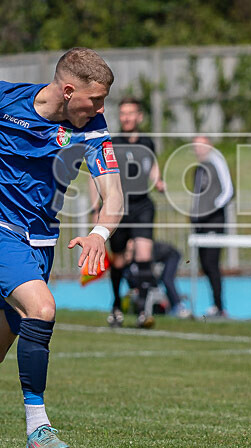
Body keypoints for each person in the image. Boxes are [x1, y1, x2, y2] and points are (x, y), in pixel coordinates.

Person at [0, 48, 123, 448]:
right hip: (3, 233)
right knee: (42, 309)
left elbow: (114, 196)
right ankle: (38, 427)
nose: (102, 108)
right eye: (97, 99)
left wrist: (99, 233)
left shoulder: (92, 128)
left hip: (41, 244)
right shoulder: (7, 100)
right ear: (69, 91)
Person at [96, 96, 165, 328]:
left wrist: (158, 181)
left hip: (142, 205)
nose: (126, 117)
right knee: (118, 261)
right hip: (119, 208)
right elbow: (102, 174)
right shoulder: (112, 143)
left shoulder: (147, 142)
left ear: (139, 116)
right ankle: (116, 305)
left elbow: (152, 165)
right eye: (123, 113)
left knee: (144, 255)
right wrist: (99, 204)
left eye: (130, 113)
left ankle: (144, 310)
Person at [190, 136, 234, 318]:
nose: (198, 149)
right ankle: (214, 305)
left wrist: (211, 209)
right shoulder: (199, 168)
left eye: (202, 145)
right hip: (200, 222)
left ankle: (219, 306)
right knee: (204, 265)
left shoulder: (217, 162)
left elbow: (229, 191)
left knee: (212, 263)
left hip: (214, 220)